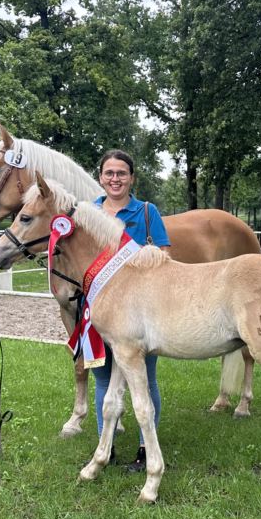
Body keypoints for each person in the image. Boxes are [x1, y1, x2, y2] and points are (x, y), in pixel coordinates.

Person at [92, 149, 170, 473]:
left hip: (140, 313)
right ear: (100, 177)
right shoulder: (88, 213)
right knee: (101, 376)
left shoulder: (147, 213)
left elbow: (164, 255)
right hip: (98, 310)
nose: (115, 179)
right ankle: (104, 445)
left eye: (121, 173)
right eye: (109, 173)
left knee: (145, 378)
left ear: (131, 178)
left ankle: (143, 447)